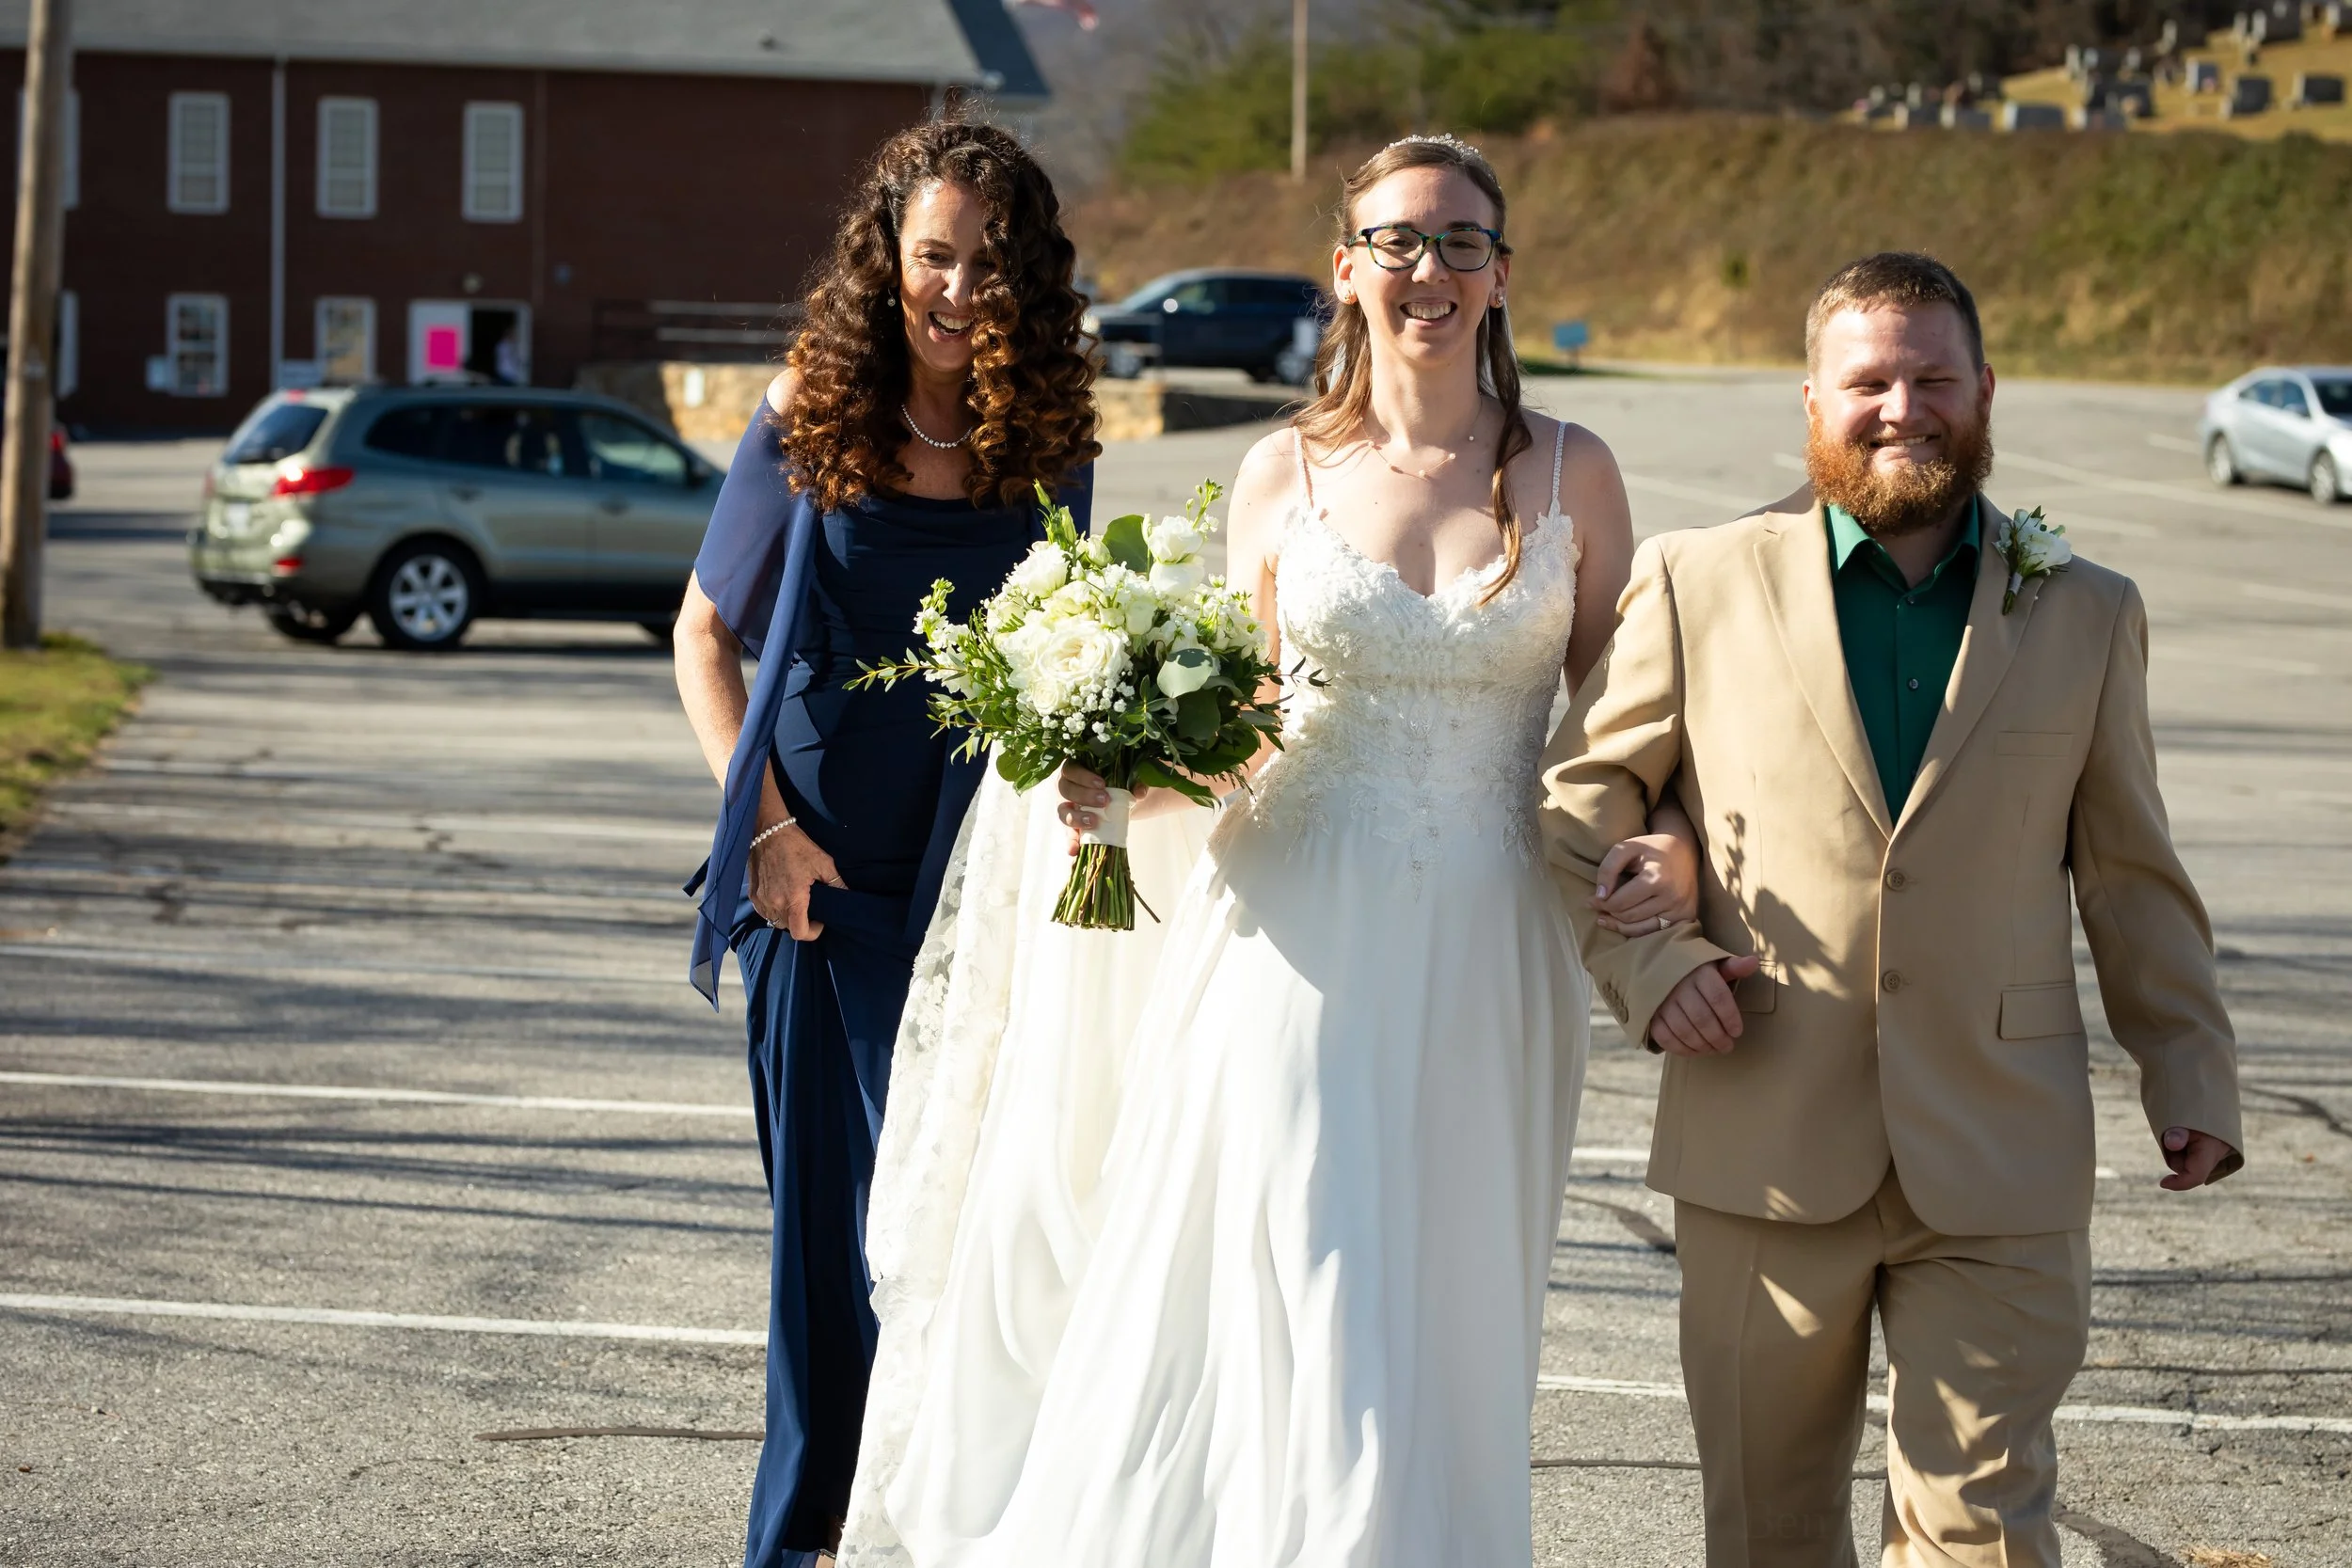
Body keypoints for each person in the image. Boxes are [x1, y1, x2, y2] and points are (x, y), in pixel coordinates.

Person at [835, 133, 1701, 1567]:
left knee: (1453, 1314)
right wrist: (1116, 776)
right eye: (1398, 240)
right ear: (1347, 270)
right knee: (1311, 1278)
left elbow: (1625, 728)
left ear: (1500, 273)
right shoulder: (1279, 472)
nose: (1429, 269)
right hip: (1292, 939)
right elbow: (1240, 733)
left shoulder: (1574, 472)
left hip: (1495, 953)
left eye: (1461, 241)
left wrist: (1668, 844)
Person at [1539, 251, 2245, 1567]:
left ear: (1986, 391)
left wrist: (2189, 1067)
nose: (1902, 408)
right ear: (1812, 400)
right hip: (1760, 1127)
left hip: (2000, 1145)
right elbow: (1579, 804)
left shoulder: (2087, 609)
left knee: (1983, 1528)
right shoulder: (1700, 578)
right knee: (1770, 1529)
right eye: (1869, 381)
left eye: (1933, 378)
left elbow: (2132, 872)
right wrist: (1655, 970)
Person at [674, 119, 1098, 1568]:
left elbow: (1065, 656)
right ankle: (799, 1544)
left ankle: (925, 1535)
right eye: (934, 255)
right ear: (889, 257)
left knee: (957, 1246)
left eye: (990, 262)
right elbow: (705, 634)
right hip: (818, 893)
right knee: (829, 1260)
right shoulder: (813, 404)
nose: (959, 288)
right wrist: (768, 833)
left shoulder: (1050, 442)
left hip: (980, 899)